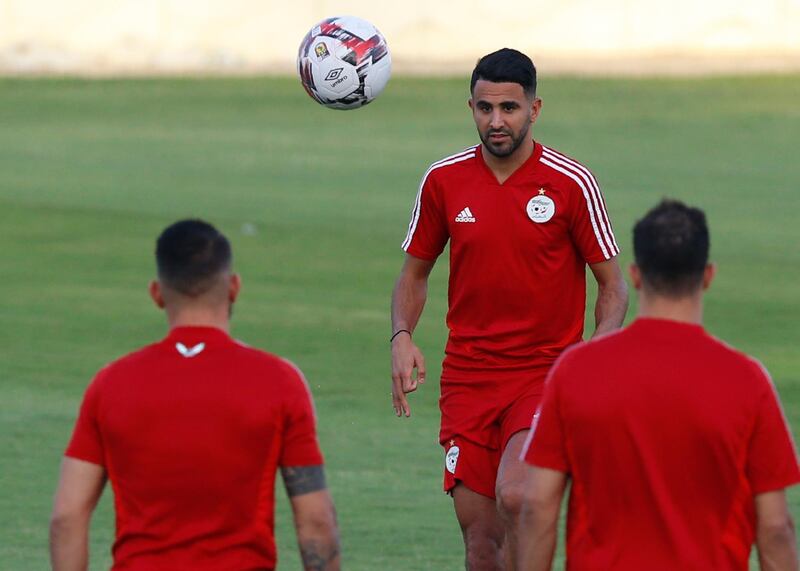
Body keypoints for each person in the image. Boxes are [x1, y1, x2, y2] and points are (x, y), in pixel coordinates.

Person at [391, 48, 628, 569]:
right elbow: (414, 273)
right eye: (484, 108)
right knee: (481, 544)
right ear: (471, 107)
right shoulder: (443, 181)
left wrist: (597, 352)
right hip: (468, 380)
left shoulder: (572, 183)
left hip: (545, 374)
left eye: (509, 108)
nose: (495, 121)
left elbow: (613, 286)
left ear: (534, 109)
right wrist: (402, 336)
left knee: (519, 496)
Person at [518, 200, 800, 571]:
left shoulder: (575, 371)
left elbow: (538, 506)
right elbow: (776, 527)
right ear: (708, 276)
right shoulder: (748, 380)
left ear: (635, 275)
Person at [50, 220, 340, 571]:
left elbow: (67, 518)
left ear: (157, 293)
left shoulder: (110, 384)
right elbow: (316, 522)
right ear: (233, 287)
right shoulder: (280, 382)